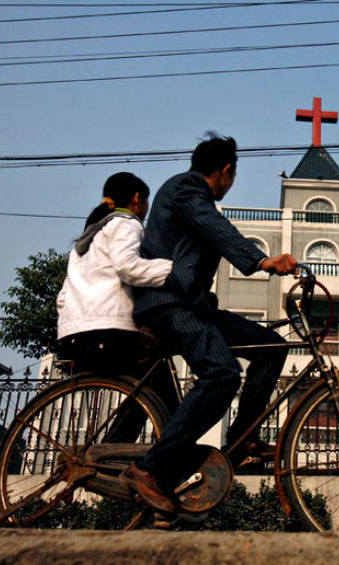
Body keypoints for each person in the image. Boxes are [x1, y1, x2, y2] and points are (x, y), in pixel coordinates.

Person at [121, 134, 297, 514]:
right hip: (168, 303)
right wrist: (262, 261)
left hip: (193, 306)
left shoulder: (191, 198)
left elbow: (209, 238)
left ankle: (243, 440)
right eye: (231, 177)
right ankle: (148, 469)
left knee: (272, 347)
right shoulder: (185, 188)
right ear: (226, 171)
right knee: (221, 374)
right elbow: (217, 230)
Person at [56, 172, 176, 417]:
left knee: (148, 388)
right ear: (136, 198)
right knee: (161, 386)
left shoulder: (84, 242)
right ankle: (175, 447)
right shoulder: (126, 223)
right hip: (110, 335)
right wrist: (176, 270)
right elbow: (128, 266)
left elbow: (61, 299)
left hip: (72, 339)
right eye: (146, 201)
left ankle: (112, 452)